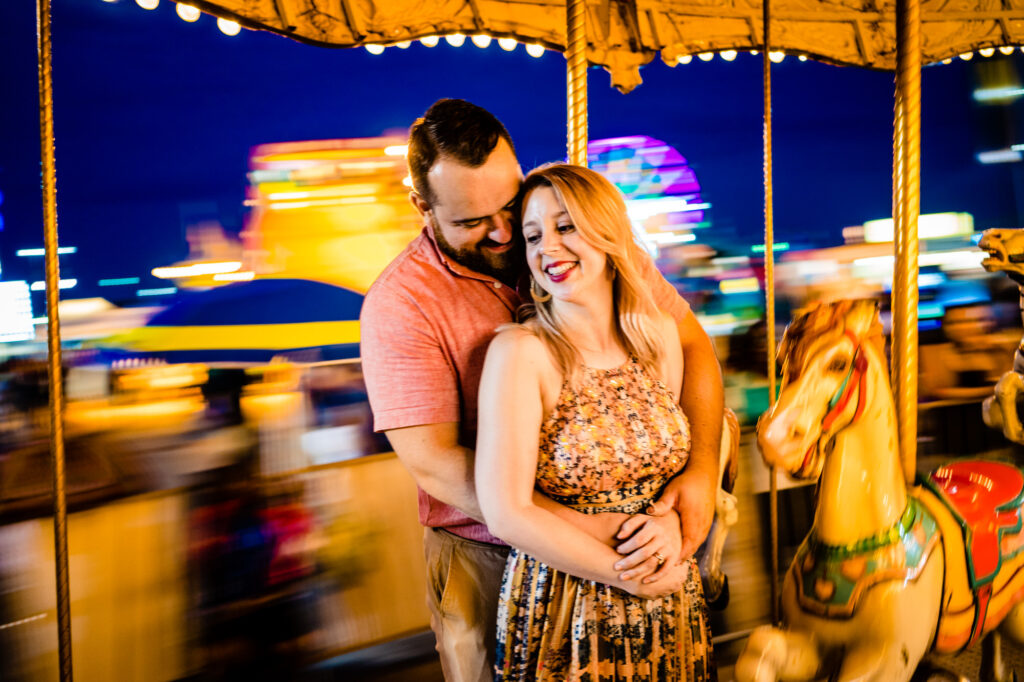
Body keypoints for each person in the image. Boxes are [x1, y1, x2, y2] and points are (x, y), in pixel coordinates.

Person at [360, 99, 723, 682]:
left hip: (636, 539)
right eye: (472, 221)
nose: (504, 232)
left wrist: (700, 471)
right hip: (486, 549)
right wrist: (595, 529)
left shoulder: (571, 240)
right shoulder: (401, 304)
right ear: (421, 207)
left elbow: (692, 344)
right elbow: (433, 461)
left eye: (508, 206)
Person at [476, 164, 714, 680]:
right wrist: (625, 574)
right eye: (533, 236)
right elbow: (506, 511)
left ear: (609, 234)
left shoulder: (655, 339)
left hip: (669, 591)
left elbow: (665, 470)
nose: (546, 249)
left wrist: (672, 523)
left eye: (565, 227)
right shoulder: (522, 353)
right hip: (573, 598)